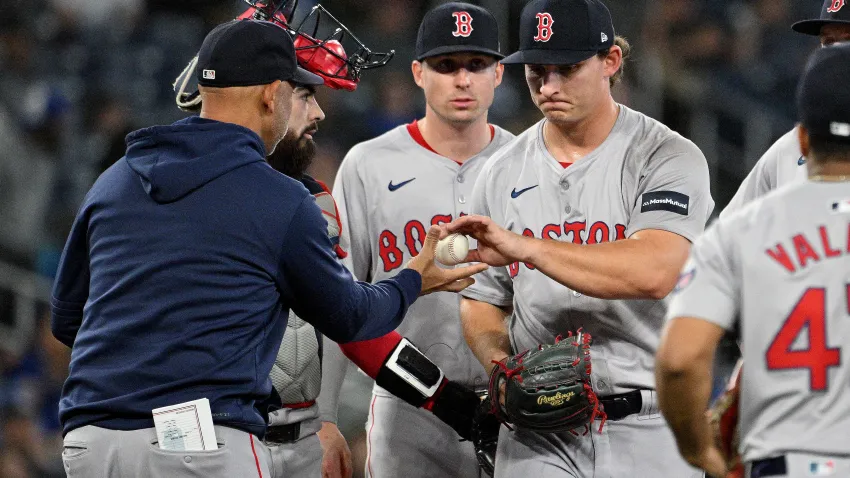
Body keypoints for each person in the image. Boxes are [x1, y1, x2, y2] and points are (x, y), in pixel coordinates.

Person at [51, 19, 485, 478]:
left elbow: (67, 321)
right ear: (271, 94)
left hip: (92, 439)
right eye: (303, 94)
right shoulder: (281, 201)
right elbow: (353, 318)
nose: (318, 113)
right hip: (207, 439)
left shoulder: (116, 180)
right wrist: (413, 279)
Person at [448, 0, 714, 476]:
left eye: (567, 68)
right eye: (536, 71)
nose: (549, 86)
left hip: (650, 424)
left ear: (610, 61)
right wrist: (499, 367)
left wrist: (528, 247)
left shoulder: (667, 156)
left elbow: (656, 270)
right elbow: (481, 298)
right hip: (538, 436)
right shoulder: (500, 172)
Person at [325, 3, 515, 477]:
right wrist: (325, 417)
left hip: (517, 407)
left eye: (476, 65)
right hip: (407, 411)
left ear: (499, 74)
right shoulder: (369, 165)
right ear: (417, 73)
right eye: (446, 66)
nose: (462, 80)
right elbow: (336, 304)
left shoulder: (530, 162)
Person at [657, 44, 850, 478]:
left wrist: (696, 449)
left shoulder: (736, 233)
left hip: (785, 459)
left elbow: (679, 361)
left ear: (802, 138)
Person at [720, 0, 850, 217]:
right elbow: (727, 237)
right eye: (827, 43)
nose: (834, 53)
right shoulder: (789, 150)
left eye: (847, 41)